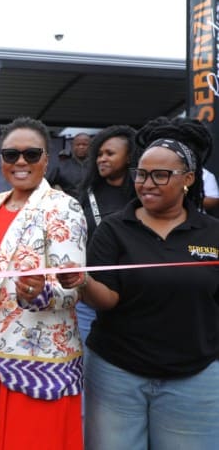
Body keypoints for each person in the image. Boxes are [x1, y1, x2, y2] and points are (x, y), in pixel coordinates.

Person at [59, 117, 219, 450]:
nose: (147, 183)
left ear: (188, 179)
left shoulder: (212, 233)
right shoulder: (115, 230)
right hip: (117, 374)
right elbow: (108, 299)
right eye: (141, 174)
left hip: (195, 377)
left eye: (161, 175)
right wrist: (83, 282)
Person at [0, 116, 85, 450]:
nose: (20, 162)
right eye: (10, 154)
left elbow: (71, 287)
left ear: (47, 158)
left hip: (34, 350)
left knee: (28, 440)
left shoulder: (62, 207)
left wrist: (42, 293)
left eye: (31, 154)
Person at [74, 125, 138, 349]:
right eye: (99, 154)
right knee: (89, 360)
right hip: (91, 296)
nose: (102, 159)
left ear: (129, 156)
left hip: (134, 296)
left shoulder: (144, 196)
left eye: (110, 153)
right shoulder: (86, 195)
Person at [47, 132, 92, 199]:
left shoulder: (97, 166)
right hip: (67, 205)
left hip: (92, 206)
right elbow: (46, 184)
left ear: (91, 146)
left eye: (84, 144)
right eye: (78, 144)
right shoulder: (60, 166)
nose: (81, 147)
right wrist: (57, 192)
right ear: (72, 146)